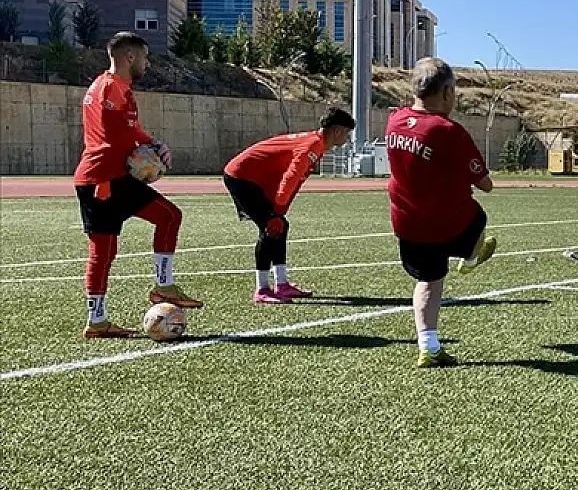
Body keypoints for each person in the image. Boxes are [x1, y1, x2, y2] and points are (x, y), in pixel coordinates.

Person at [73, 32, 203, 339]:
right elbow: (114, 134)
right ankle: (163, 286)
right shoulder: (111, 87)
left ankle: (97, 321)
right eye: (144, 57)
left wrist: (152, 144)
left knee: (105, 251)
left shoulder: (108, 86)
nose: (146, 63)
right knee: (168, 217)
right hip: (106, 178)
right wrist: (144, 155)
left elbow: (129, 129)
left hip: (98, 176)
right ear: (129, 57)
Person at [386, 58, 498, 368]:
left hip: (408, 221)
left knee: (429, 280)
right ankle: (471, 257)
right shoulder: (449, 132)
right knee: (479, 218)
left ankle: (429, 346)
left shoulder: (394, 121)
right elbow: (485, 184)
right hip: (447, 222)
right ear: (447, 92)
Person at [223, 107, 356, 304]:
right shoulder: (313, 146)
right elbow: (290, 178)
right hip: (241, 176)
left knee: (280, 226)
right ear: (337, 131)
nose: (347, 138)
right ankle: (262, 289)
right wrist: (276, 213)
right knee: (270, 227)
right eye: (347, 133)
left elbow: (294, 180)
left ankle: (282, 284)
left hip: (252, 177)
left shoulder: (316, 143)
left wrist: (280, 212)